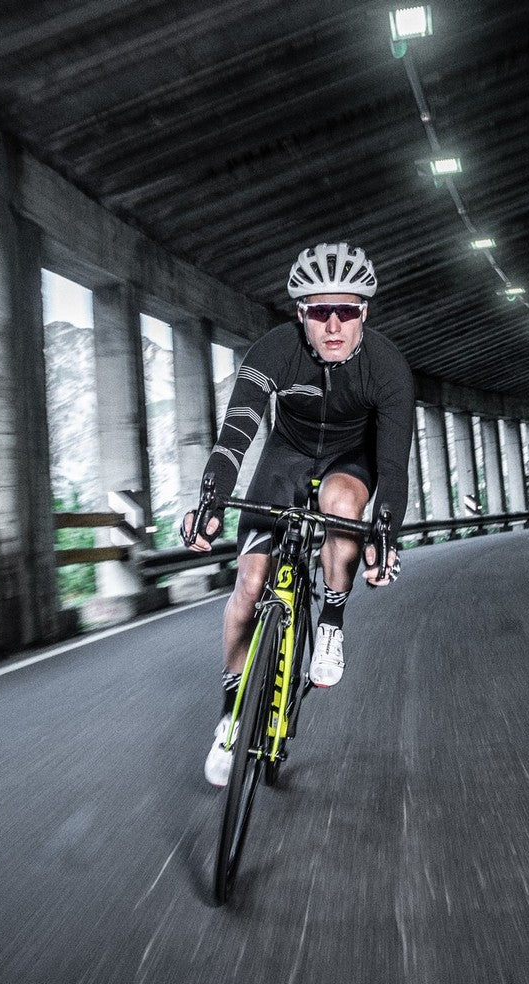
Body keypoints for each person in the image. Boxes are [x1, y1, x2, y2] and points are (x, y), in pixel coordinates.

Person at [182, 242, 414, 787]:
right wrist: (211, 501)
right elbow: (235, 435)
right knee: (249, 584)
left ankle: (330, 619)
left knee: (341, 505)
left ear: (364, 313)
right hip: (285, 456)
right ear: (300, 314)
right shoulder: (275, 350)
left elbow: (393, 467)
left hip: (351, 460)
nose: (333, 326)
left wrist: (386, 536)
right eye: (319, 311)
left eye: (346, 312)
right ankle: (230, 717)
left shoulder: (388, 368)